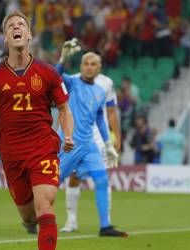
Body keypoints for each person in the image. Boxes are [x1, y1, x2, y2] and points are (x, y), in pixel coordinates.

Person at [0, 11, 74, 250]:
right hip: (11, 154)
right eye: (11, 26)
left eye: (21, 24)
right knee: (29, 215)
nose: (16, 27)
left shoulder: (48, 72)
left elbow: (64, 109)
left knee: (45, 205)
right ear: (5, 38)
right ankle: (29, 223)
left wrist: (68, 135)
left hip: (43, 148)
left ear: (29, 35)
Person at [55, 48, 127, 237]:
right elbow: (56, 76)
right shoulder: (71, 82)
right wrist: (63, 58)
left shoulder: (100, 90)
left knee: (102, 180)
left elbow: (100, 118)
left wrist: (108, 143)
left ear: (99, 68)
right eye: (86, 64)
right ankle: (32, 218)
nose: (89, 67)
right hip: (68, 143)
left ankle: (105, 226)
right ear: (81, 66)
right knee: (51, 185)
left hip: (89, 145)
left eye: (93, 64)